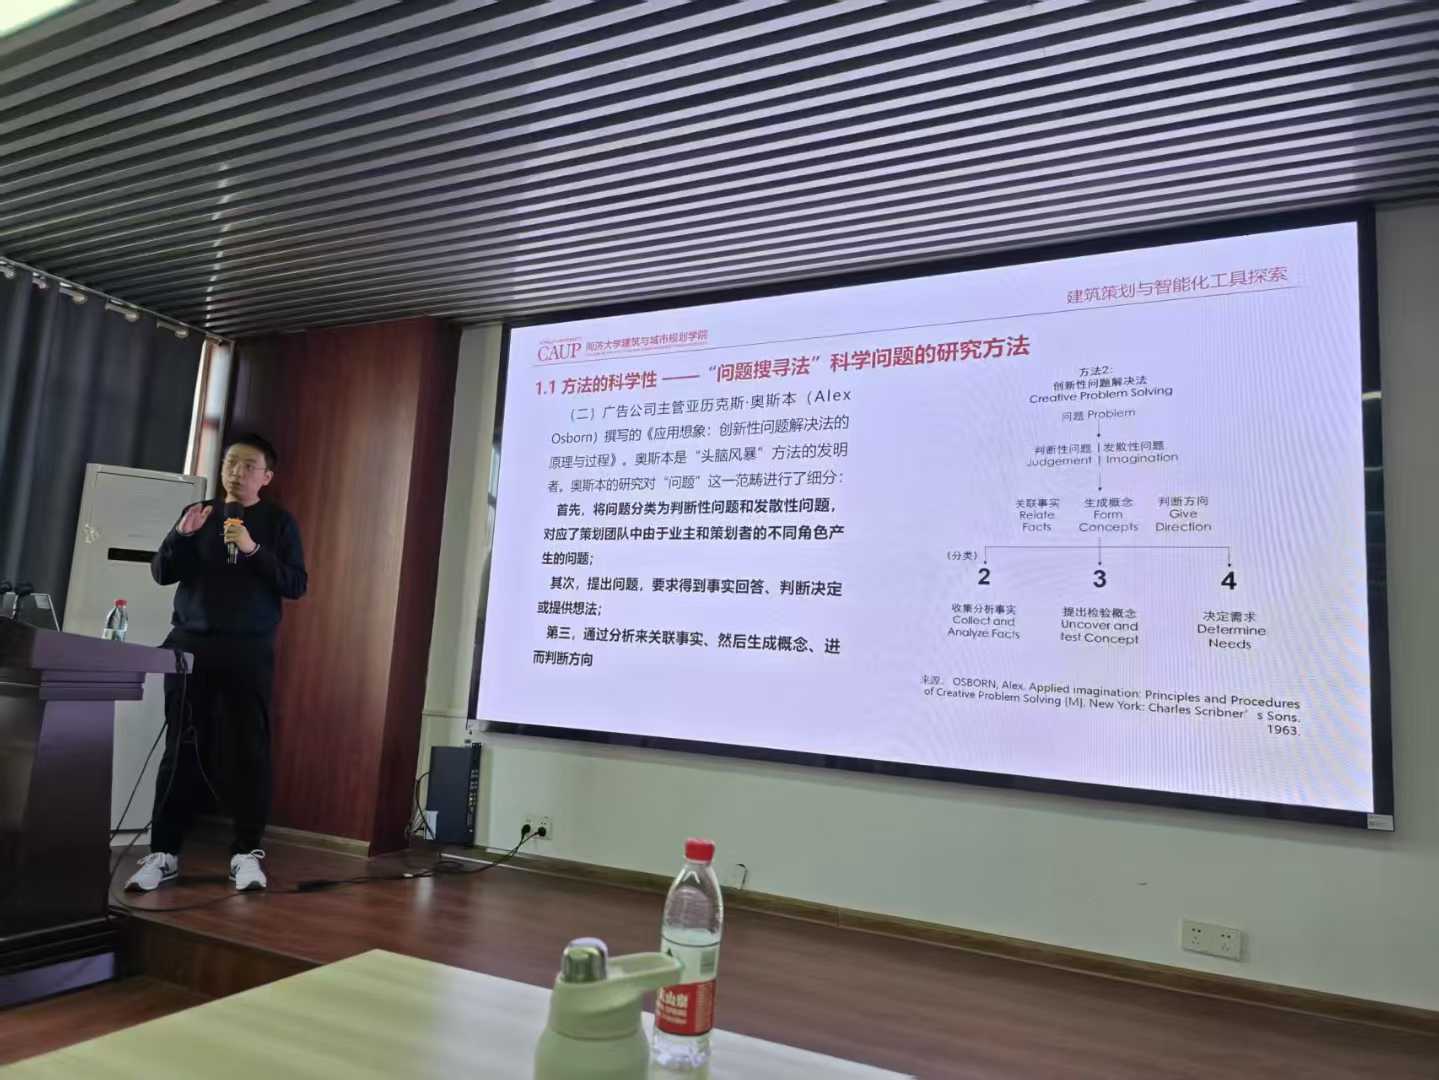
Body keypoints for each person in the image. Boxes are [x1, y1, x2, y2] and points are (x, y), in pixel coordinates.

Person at [125, 434, 307, 893]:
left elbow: (295, 584)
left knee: (250, 749)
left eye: (248, 466)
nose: (236, 472)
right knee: (180, 748)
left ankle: (246, 853)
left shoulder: (278, 522)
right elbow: (162, 572)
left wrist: (252, 549)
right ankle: (164, 852)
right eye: (231, 463)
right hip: (190, 646)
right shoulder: (199, 513)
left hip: (248, 650)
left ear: (266, 476)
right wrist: (180, 537)